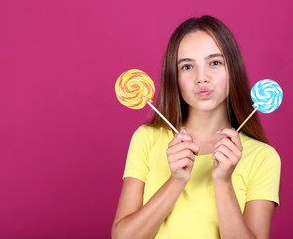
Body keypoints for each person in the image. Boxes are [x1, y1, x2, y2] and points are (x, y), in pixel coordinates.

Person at [112, 15, 281, 239]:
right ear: (175, 77)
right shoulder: (146, 139)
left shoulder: (263, 157)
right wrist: (176, 181)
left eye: (215, 62)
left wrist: (223, 182)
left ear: (233, 69)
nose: (201, 78)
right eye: (187, 66)